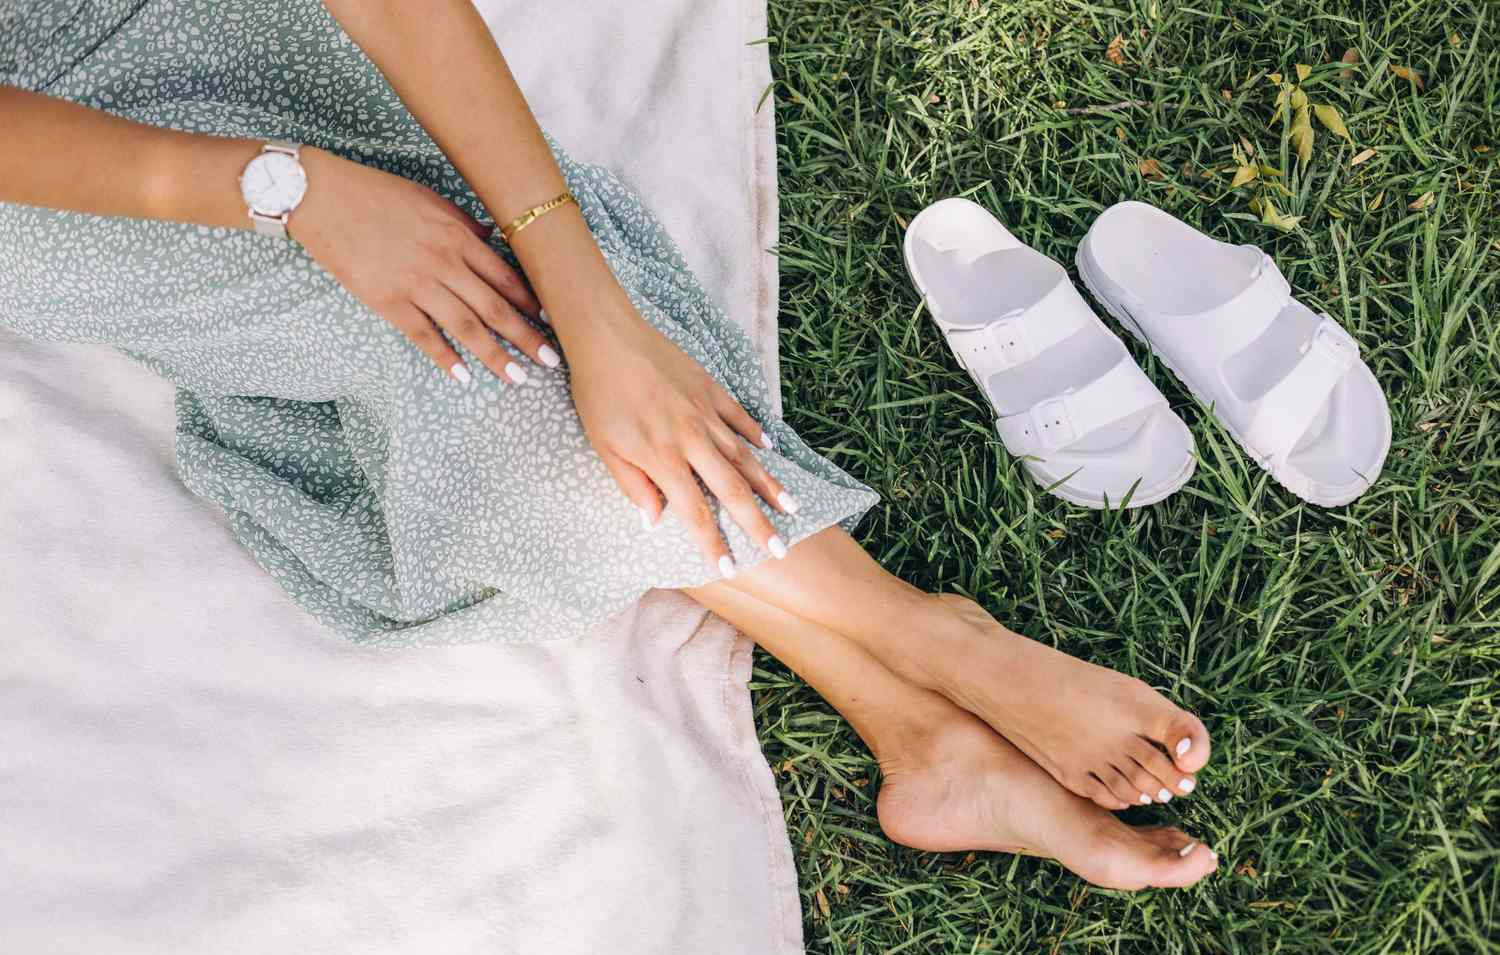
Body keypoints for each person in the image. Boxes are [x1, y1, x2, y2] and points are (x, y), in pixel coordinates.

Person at [0, 0, 1217, 889]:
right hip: (43, 166)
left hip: (214, 28)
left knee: (514, 297)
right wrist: (293, 189)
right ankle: (929, 639)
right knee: (480, 370)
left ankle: (924, 734)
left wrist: (592, 305)